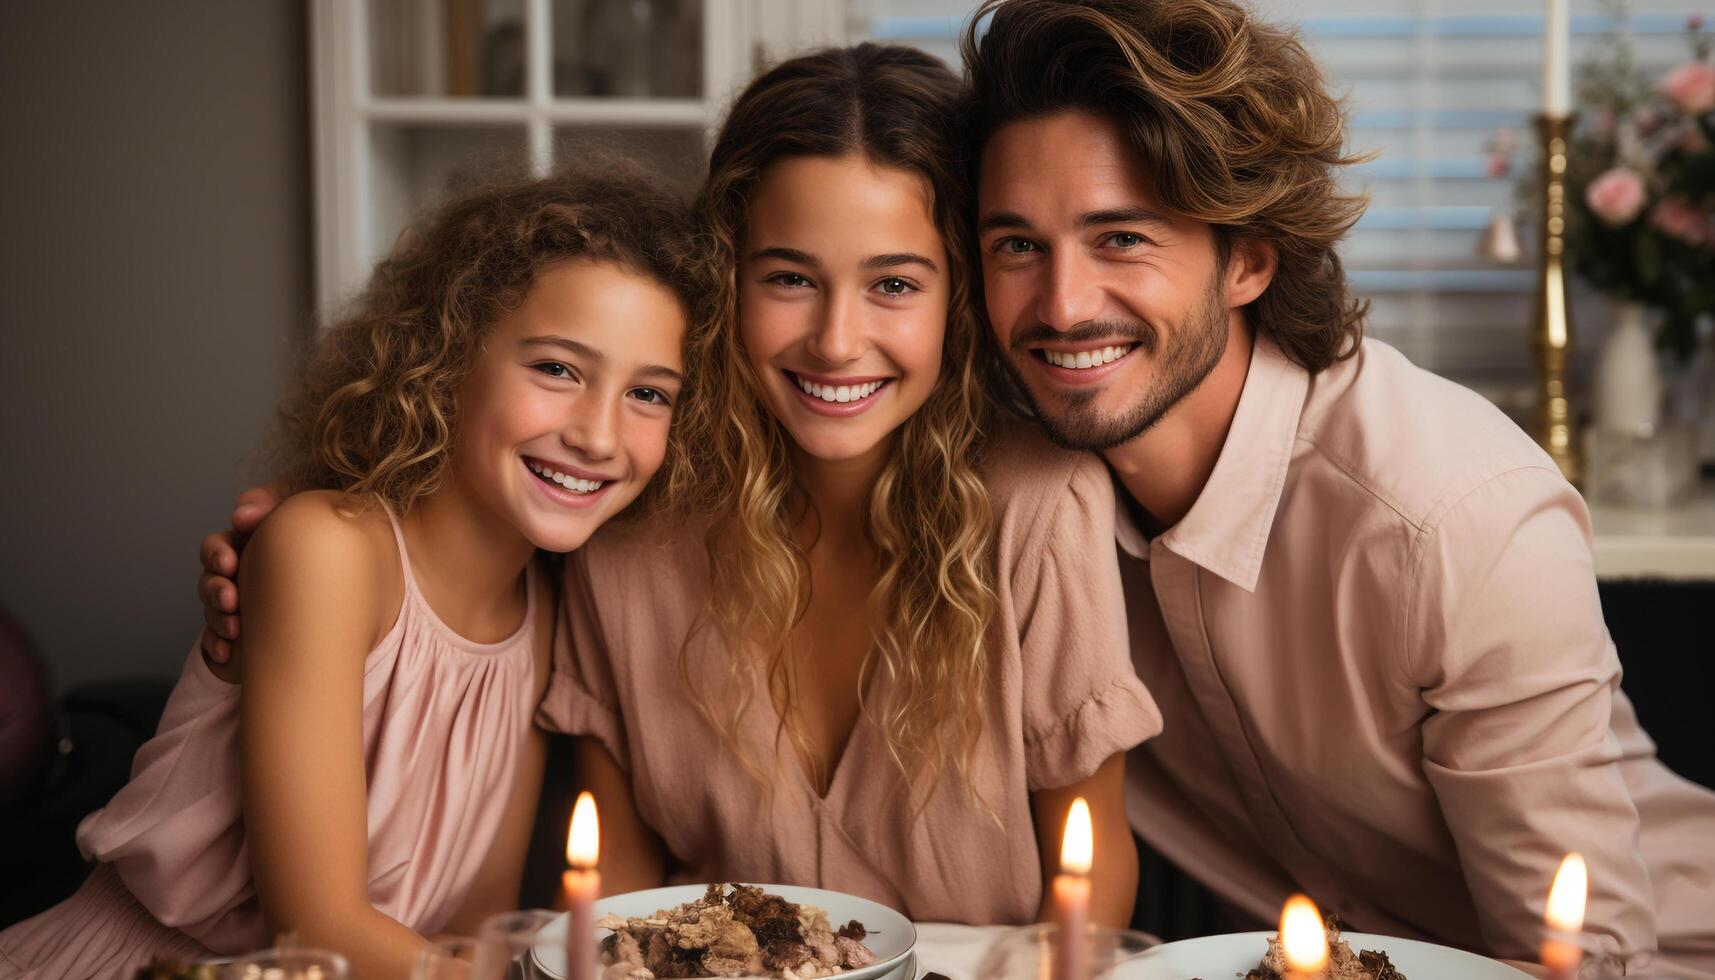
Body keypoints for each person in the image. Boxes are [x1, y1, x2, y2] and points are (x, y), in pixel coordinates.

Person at [195, 44, 1158, 929]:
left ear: (961, 298)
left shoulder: (1039, 509)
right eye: (788, 277)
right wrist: (302, 536)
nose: (834, 338)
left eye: (894, 285)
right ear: (721, 280)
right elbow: (614, 876)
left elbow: (1093, 864)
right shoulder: (627, 521)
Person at [964, 0, 1715, 975]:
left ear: (1248, 258)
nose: (1060, 304)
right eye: (1016, 245)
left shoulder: (1448, 517)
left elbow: (1590, 955)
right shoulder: (1022, 495)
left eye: (1121, 239)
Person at [0, 169, 704, 980]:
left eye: (649, 393)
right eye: (556, 370)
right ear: (447, 358)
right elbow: (317, 928)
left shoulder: (546, 612)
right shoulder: (324, 551)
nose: (599, 435)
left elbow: (470, 926)